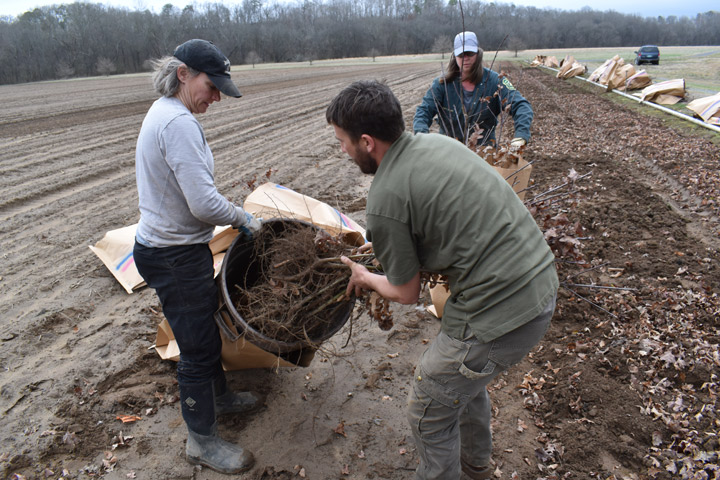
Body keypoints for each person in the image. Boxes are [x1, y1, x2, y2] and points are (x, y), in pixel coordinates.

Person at [327, 80, 558, 480]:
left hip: (503, 313)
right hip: (540, 283)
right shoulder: (439, 144)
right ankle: (475, 469)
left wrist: (365, 276)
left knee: (429, 405)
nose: (341, 150)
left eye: (342, 142)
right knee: (461, 385)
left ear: (366, 142)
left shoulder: (385, 200)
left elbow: (405, 291)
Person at [132, 39, 263, 474]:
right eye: (212, 84)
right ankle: (201, 441)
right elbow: (203, 204)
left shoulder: (170, 112)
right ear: (184, 73)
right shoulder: (178, 124)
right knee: (197, 348)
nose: (217, 95)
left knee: (203, 328)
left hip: (174, 248)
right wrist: (242, 217)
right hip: (173, 254)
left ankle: (220, 398)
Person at [413, 31, 533, 150]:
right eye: (461, 54)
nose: (465, 58)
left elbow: (521, 105)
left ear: (478, 53)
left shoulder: (496, 81)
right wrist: (422, 138)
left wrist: (521, 136)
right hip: (449, 152)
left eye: (469, 53)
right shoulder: (441, 84)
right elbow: (423, 112)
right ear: (455, 56)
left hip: (484, 153)